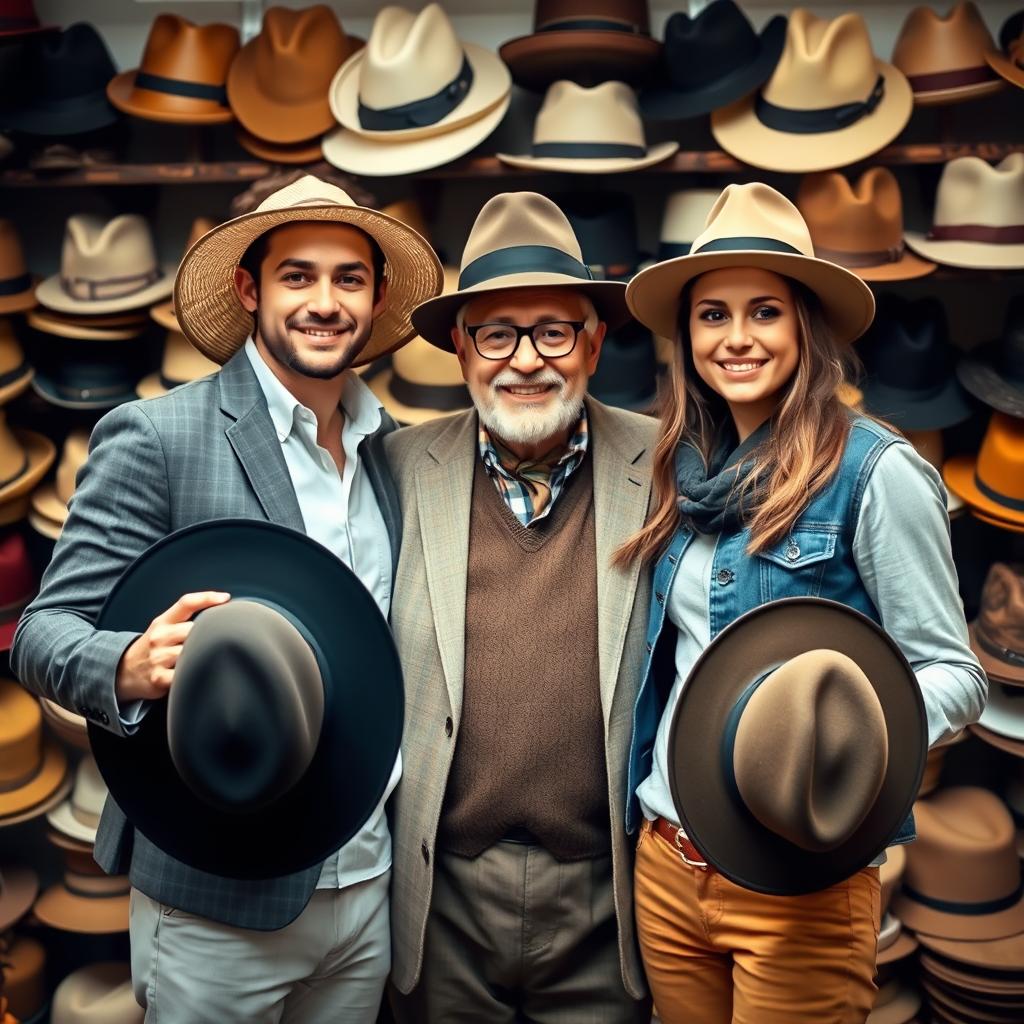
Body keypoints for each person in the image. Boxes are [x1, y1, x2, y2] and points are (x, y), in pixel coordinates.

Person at [11, 175, 443, 1024]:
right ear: (250, 289)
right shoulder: (159, 437)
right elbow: (40, 634)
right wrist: (124, 663)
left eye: (348, 278)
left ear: (377, 295)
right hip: (215, 898)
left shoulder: (392, 450)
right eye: (297, 276)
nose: (325, 302)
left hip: (367, 887)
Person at [618, 182, 987, 1024]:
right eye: (712, 315)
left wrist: (836, 743)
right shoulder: (677, 467)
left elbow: (953, 674)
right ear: (687, 336)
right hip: (668, 863)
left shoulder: (875, 473)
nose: (736, 338)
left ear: (804, 327)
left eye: (764, 313)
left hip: (799, 881)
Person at [384, 191, 654, 1023]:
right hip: (444, 893)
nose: (525, 360)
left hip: (607, 897)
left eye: (553, 331)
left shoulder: (667, 464)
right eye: (497, 333)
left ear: (595, 342)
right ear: (461, 350)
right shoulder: (394, 468)